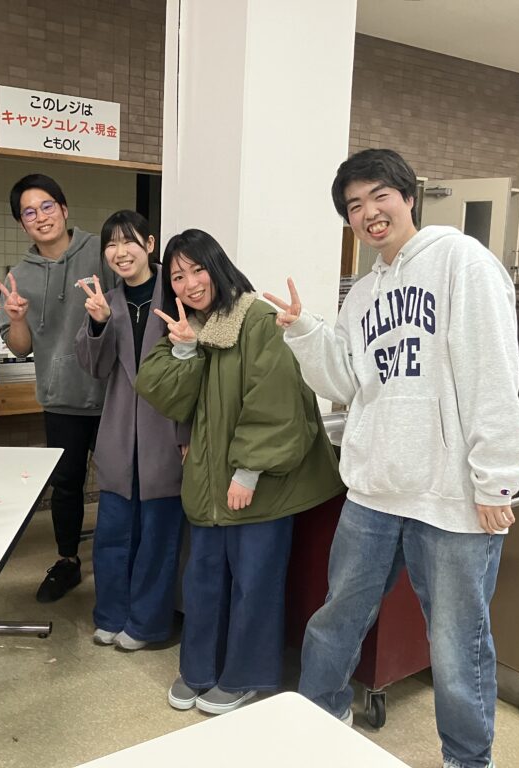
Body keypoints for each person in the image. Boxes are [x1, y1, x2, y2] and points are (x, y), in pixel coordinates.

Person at [266, 148, 519, 768]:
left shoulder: (462, 261)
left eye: (379, 195)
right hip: (374, 491)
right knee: (336, 619)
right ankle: (318, 724)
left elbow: (492, 372)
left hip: (451, 496)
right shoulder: (363, 292)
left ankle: (467, 759)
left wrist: (496, 480)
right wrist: (305, 333)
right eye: (354, 205)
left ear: (408, 197)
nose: (369, 212)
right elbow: (347, 382)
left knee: (458, 643)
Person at [135, 229, 343, 715]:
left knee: (255, 583)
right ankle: (199, 669)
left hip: (259, 484)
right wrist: (184, 350)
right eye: (178, 276)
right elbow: (164, 394)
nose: (189, 284)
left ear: (218, 266)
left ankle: (246, 676)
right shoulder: (190, 329)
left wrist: (248, 472)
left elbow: (277, 403)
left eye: (197, 270)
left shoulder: (257, 320)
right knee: (204, 580)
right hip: (208, 484)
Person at [0, 174, 118, 603]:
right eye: (29, 212)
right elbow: (20, 347)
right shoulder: (19, 276)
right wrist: (16, 318)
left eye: (47, 206)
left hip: (114, 396)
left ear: (64, 209)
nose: (41, 217)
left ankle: (117, 561)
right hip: (61, 398)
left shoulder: (101, 252)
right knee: (66, 484)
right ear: (21, 223)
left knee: (120, 482)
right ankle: (67, 561)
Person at [74, 210, 186, 651]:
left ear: (150, 245)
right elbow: (95, 368)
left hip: (165, 433)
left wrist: (186, 435)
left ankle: (147, 624)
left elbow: (194, 372)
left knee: (158, 535)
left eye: (129, 242)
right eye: (111, 244)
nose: (120, 252)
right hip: (120, 433)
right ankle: (110, 614)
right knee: (113, 533)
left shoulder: (175, 295)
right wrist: (99, 323)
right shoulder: (107, 301)